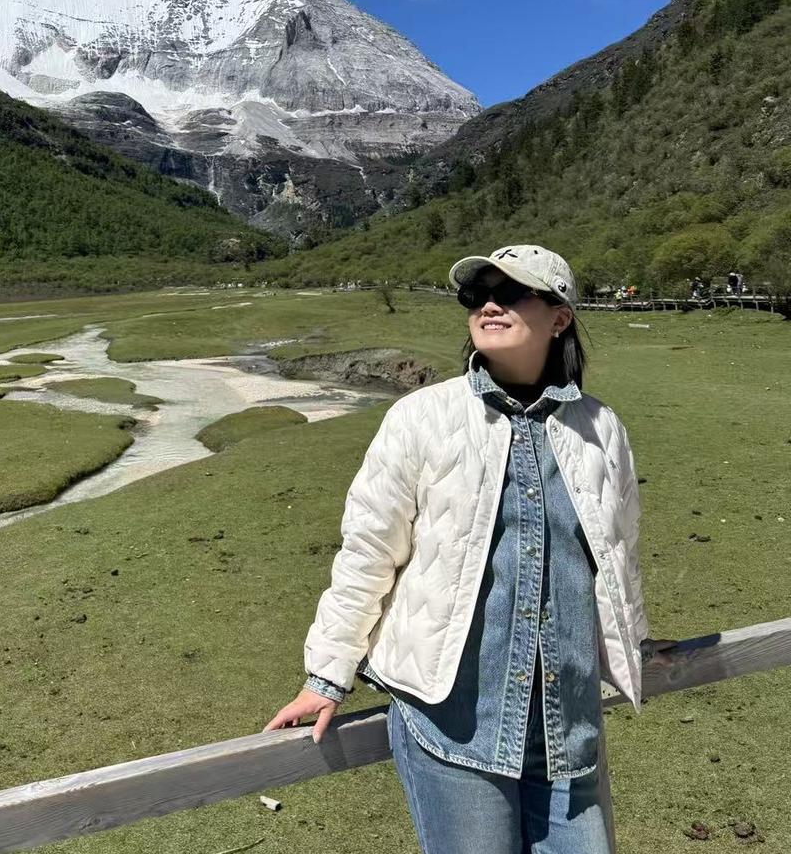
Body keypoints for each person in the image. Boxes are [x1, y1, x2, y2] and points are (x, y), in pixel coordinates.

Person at [264, 244, 677, 854]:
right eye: (476, 294)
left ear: (560, 317)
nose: (489, 305)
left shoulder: (601, 427)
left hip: (566, 722)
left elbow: (619, 553)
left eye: (510, 293)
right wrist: (327, 675)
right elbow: (368, 551)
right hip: (453, 720)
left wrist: (633, 641)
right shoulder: (420, 417)